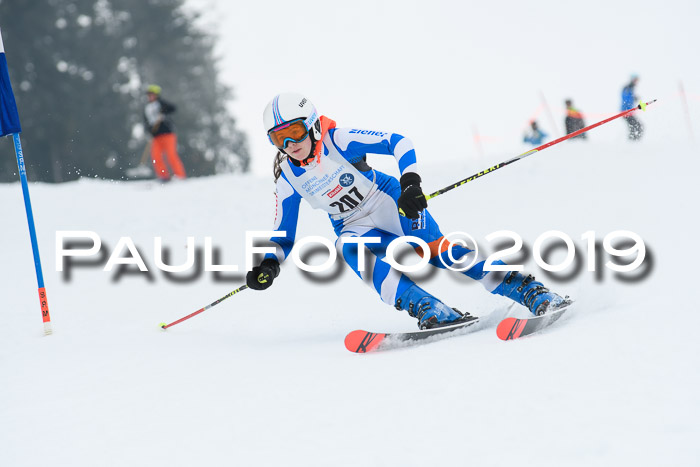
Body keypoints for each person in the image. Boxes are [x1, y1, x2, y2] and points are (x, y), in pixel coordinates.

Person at [246, 93, 569, 329]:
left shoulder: (339, 141)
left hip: (392, 202)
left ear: (313, 125)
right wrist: (270, 264)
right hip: (354, 226)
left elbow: (398, 142)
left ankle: (529, 291)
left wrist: (411, 183)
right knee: (346, 247)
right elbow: (282, 234)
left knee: (436, 251)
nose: (290, 145)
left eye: (295, 132)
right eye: (279, 138)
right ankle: (430, 309)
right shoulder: (288, 178)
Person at [144, 84, 186, 181]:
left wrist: (164, 110)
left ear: (156, 95)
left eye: (152, 94)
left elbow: (173, 108)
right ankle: (164, 176)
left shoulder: (161, 103)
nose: (150, 96)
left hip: (168, 134)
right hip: (155, 136)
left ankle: (180, 176)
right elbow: (146, 122)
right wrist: (149, 131)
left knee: (171, 155)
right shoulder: (147, 108)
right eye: (149, 95)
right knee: (156, 156)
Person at [621, 75, 644, 140]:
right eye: (635, 80)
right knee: (637, 126)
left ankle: (633, 140)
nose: (636, 82)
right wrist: (633, 98)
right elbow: (625, 98)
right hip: (625, 112)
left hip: (629, 112)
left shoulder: (631, 87)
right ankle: (632, 141)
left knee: (636, 126)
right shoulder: (628, 87)